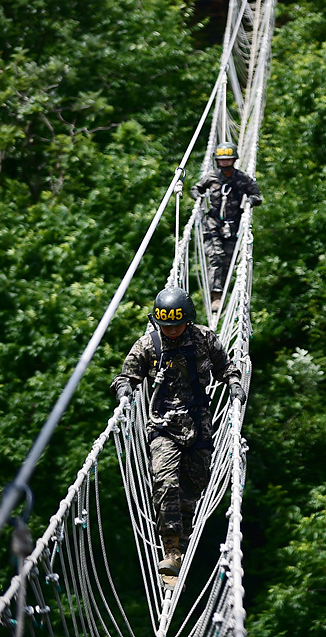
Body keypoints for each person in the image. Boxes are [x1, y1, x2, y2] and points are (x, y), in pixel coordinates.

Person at [112, 287, 245, 578]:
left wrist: (234, 383)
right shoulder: (149, 345)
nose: (171, 331)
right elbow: (125, 376)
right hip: (163, 427)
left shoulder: (204, 338)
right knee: (165, 481)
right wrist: (124, 391)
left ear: (188, 319)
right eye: (166, 326)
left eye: (176, 325)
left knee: (192, 488)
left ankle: (181, 541)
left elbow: (226, 367)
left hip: (199, 424)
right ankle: (170, 548)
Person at [193, 142, 262, 312]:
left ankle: (221, 294)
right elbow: (196, 188)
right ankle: (215, 295)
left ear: (234, 160)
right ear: (217, 161)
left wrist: (251, 201)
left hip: (233, 226)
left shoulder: (242, 179)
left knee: (227, 261)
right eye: (222, 160)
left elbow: (257, 195)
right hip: (213, 223)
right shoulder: (211, 177)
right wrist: (198, 196)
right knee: (216, 257)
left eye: (228, 159)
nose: (225, 163)